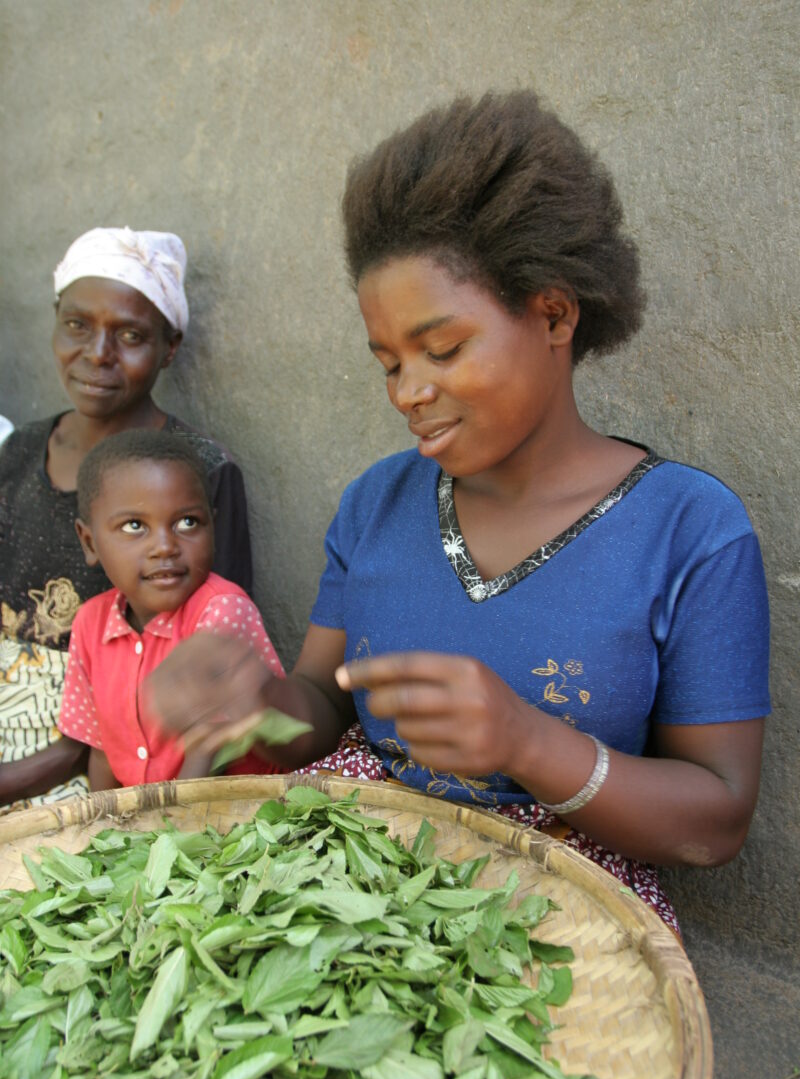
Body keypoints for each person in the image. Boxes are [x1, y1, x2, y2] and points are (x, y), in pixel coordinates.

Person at [145, 92, 770, 933]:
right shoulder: (378, 501)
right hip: (350, 887)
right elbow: (322, 709)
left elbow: (718, 819)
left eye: (442, 350)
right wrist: (256, 700)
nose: (410, 392)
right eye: (389, 364)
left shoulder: (690, 529)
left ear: (553, 312)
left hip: (555, 919)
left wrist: (529, 745)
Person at [0, 226, 254, 809]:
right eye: (77, 325)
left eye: (131, 335)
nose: (97, 353)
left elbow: (211, 656)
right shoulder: (18, 453)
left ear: (169, 347)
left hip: (107, 750)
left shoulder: (204, 471)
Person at [58, 430, 282, 789]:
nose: (164, 547)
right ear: (90, 542)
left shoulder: (221, 610)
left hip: (234, 817)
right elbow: (102, 750)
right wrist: (103, 829)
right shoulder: (90, 624)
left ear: (213, 524)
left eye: (187, 522)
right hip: (155, 827)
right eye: (135, 526)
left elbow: (209, 751)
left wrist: (162, 834)